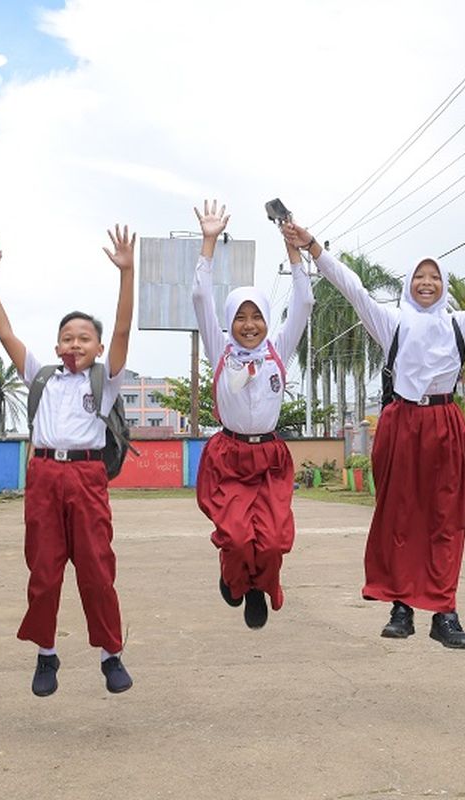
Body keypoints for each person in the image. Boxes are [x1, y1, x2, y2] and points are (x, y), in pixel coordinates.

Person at [282, 214, 465, 648]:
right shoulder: (392, 322)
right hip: (402, 422)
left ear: (443, 284)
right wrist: (312, 245)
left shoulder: (462, 324)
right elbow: (349, 285)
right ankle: (401, 607)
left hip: (444, 426)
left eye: (434, 276)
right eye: (419, 276)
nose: (427, 282)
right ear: (409, 284)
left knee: (446, 519)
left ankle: (445, 612)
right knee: (399, 516)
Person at [0, 225, 137, 697]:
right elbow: (4, 331)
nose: (76, 343)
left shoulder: (107, 381)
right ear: (58, 344)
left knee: (97, 571)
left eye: (85, 337)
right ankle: (46, 654)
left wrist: (127, 273)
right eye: (68, 337)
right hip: (42, 476)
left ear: (99, 348)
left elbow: (123, 326)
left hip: (86, 477)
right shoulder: (40, 377)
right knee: (43, 573)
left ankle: (111, 655)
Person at [191, 200, 313, 628]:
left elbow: (304, 301)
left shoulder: (277, 351)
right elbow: (200, 296)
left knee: (275, 540)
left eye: (256, 316)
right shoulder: (220, 350)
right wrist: (208, 242)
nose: (249, 324)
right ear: (229, 322)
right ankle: (236, 580)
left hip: (270, 458)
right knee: (239, 538)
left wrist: (294, 250)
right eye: (240, 317)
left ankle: (261, 588)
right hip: (230, 456)